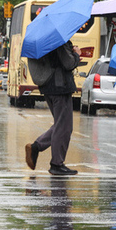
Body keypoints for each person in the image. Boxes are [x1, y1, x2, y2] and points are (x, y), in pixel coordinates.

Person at [24, 41, 81, 176]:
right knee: (64, 127)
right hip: (60, 85)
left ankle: (36, 147)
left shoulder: (43, 40)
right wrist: (76, 55)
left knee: (61, 125)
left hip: (48, 87)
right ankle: (56, 164)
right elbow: (68, 63)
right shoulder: (58, 41)